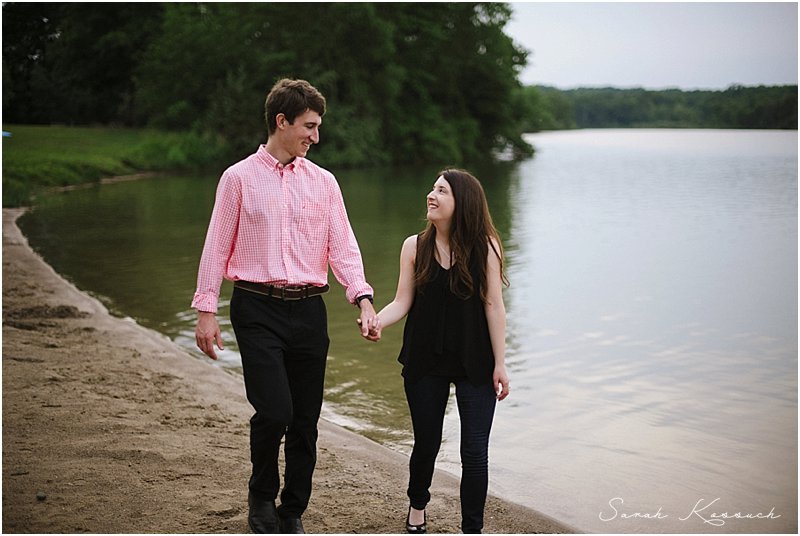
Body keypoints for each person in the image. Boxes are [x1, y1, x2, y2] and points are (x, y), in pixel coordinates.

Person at [191, 78, 378, 534]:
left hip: (309, 312)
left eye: (317, 127)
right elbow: (217, 246)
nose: (316, 136)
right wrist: (206, 309)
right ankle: (260, 498)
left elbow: (343, 247)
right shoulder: (237, 178)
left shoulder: (325, 183)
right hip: (256, 308)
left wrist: (364, 297)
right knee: (274, 410)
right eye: (309, 127)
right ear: (282, 122)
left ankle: (292, 509)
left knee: (305, 421)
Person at [363, 169, 510, 534]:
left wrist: (501, 364)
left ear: (463, 203)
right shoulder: (414, 246)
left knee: (474, 451)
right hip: (425, 358)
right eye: (432, 189)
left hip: (475, 359)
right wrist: (377, 320)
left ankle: (472, 528)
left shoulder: (486, 246)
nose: (431, 195)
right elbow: (402, 301)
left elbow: (494, 305)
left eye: (441, 191)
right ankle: (417, 506)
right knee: (426, 442)